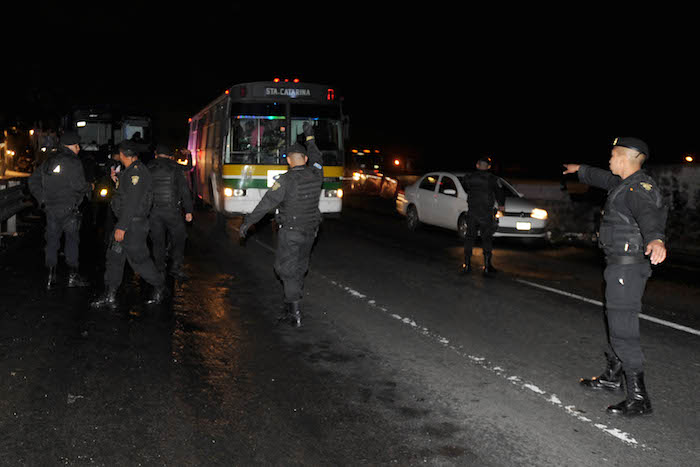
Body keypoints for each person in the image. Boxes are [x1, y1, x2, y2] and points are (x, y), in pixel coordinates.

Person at [563, 137, 667, 416]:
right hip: (619, 265)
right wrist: (581, 170)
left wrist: (656, 239)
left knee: (623, 327)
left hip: (627, 267)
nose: (609, 160)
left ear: (627, 157)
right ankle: (612, 378)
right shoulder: (624, 184)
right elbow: (603, 178)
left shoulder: (638, 189)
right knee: (614, 319)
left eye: (612, 155)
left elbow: (649, 215)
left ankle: (638, 397)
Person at [239, 122, 323, 327]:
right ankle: (291, 303)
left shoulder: (285, 181)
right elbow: (317, 157)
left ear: (288, 161)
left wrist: (248, 223)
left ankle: (294, 312)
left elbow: (265, 204)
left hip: (292, 233)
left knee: (283, 269)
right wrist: (310, 137)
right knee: (300, 266)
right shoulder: (317, 173)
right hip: (311, 232)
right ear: (305, 159)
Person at [90, 140, 167, 309]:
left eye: (119, 154)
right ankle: (110, 295)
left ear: (124, 155)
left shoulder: (137, 173)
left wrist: (122, 227)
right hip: (127, 223)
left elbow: (132, 202)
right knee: (114, 258)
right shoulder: (130, 171)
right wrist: (116, 179)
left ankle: (160, 285)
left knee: (139, 261)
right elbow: (127, 194)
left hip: (133, 226)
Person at [28, 131, 91, 289]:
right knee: (71, 242)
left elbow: (33, 180)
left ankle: (50, 277)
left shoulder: (49, 161)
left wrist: (42, 199)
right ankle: (72, 277)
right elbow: (79, 186)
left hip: (50, 209)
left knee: (52, 242)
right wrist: (90, 186)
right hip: (69, 209)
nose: (79, 149)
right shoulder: (74, 162)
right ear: (72, 145)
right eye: (77, 146)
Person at [147, 144, 193, 280]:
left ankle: (159, 268)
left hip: (154, 211)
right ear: (169, 155)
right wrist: (188, 210)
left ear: (156, 154)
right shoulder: (175, 167)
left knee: (157, 241)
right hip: (172, 211)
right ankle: (175, 268)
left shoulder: (148, 167)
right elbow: (184, 190)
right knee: (179, 238)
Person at [460, 156, 506, 276]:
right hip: (485, 213)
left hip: (472, 212)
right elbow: (500, 192)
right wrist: (501, 205)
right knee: (486, 239)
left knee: (469, 238)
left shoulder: (469, 177)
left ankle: (467, 265)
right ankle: (487, 266)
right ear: (489, 167)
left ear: (477, 165)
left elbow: (465, 187)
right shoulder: (493, 179)